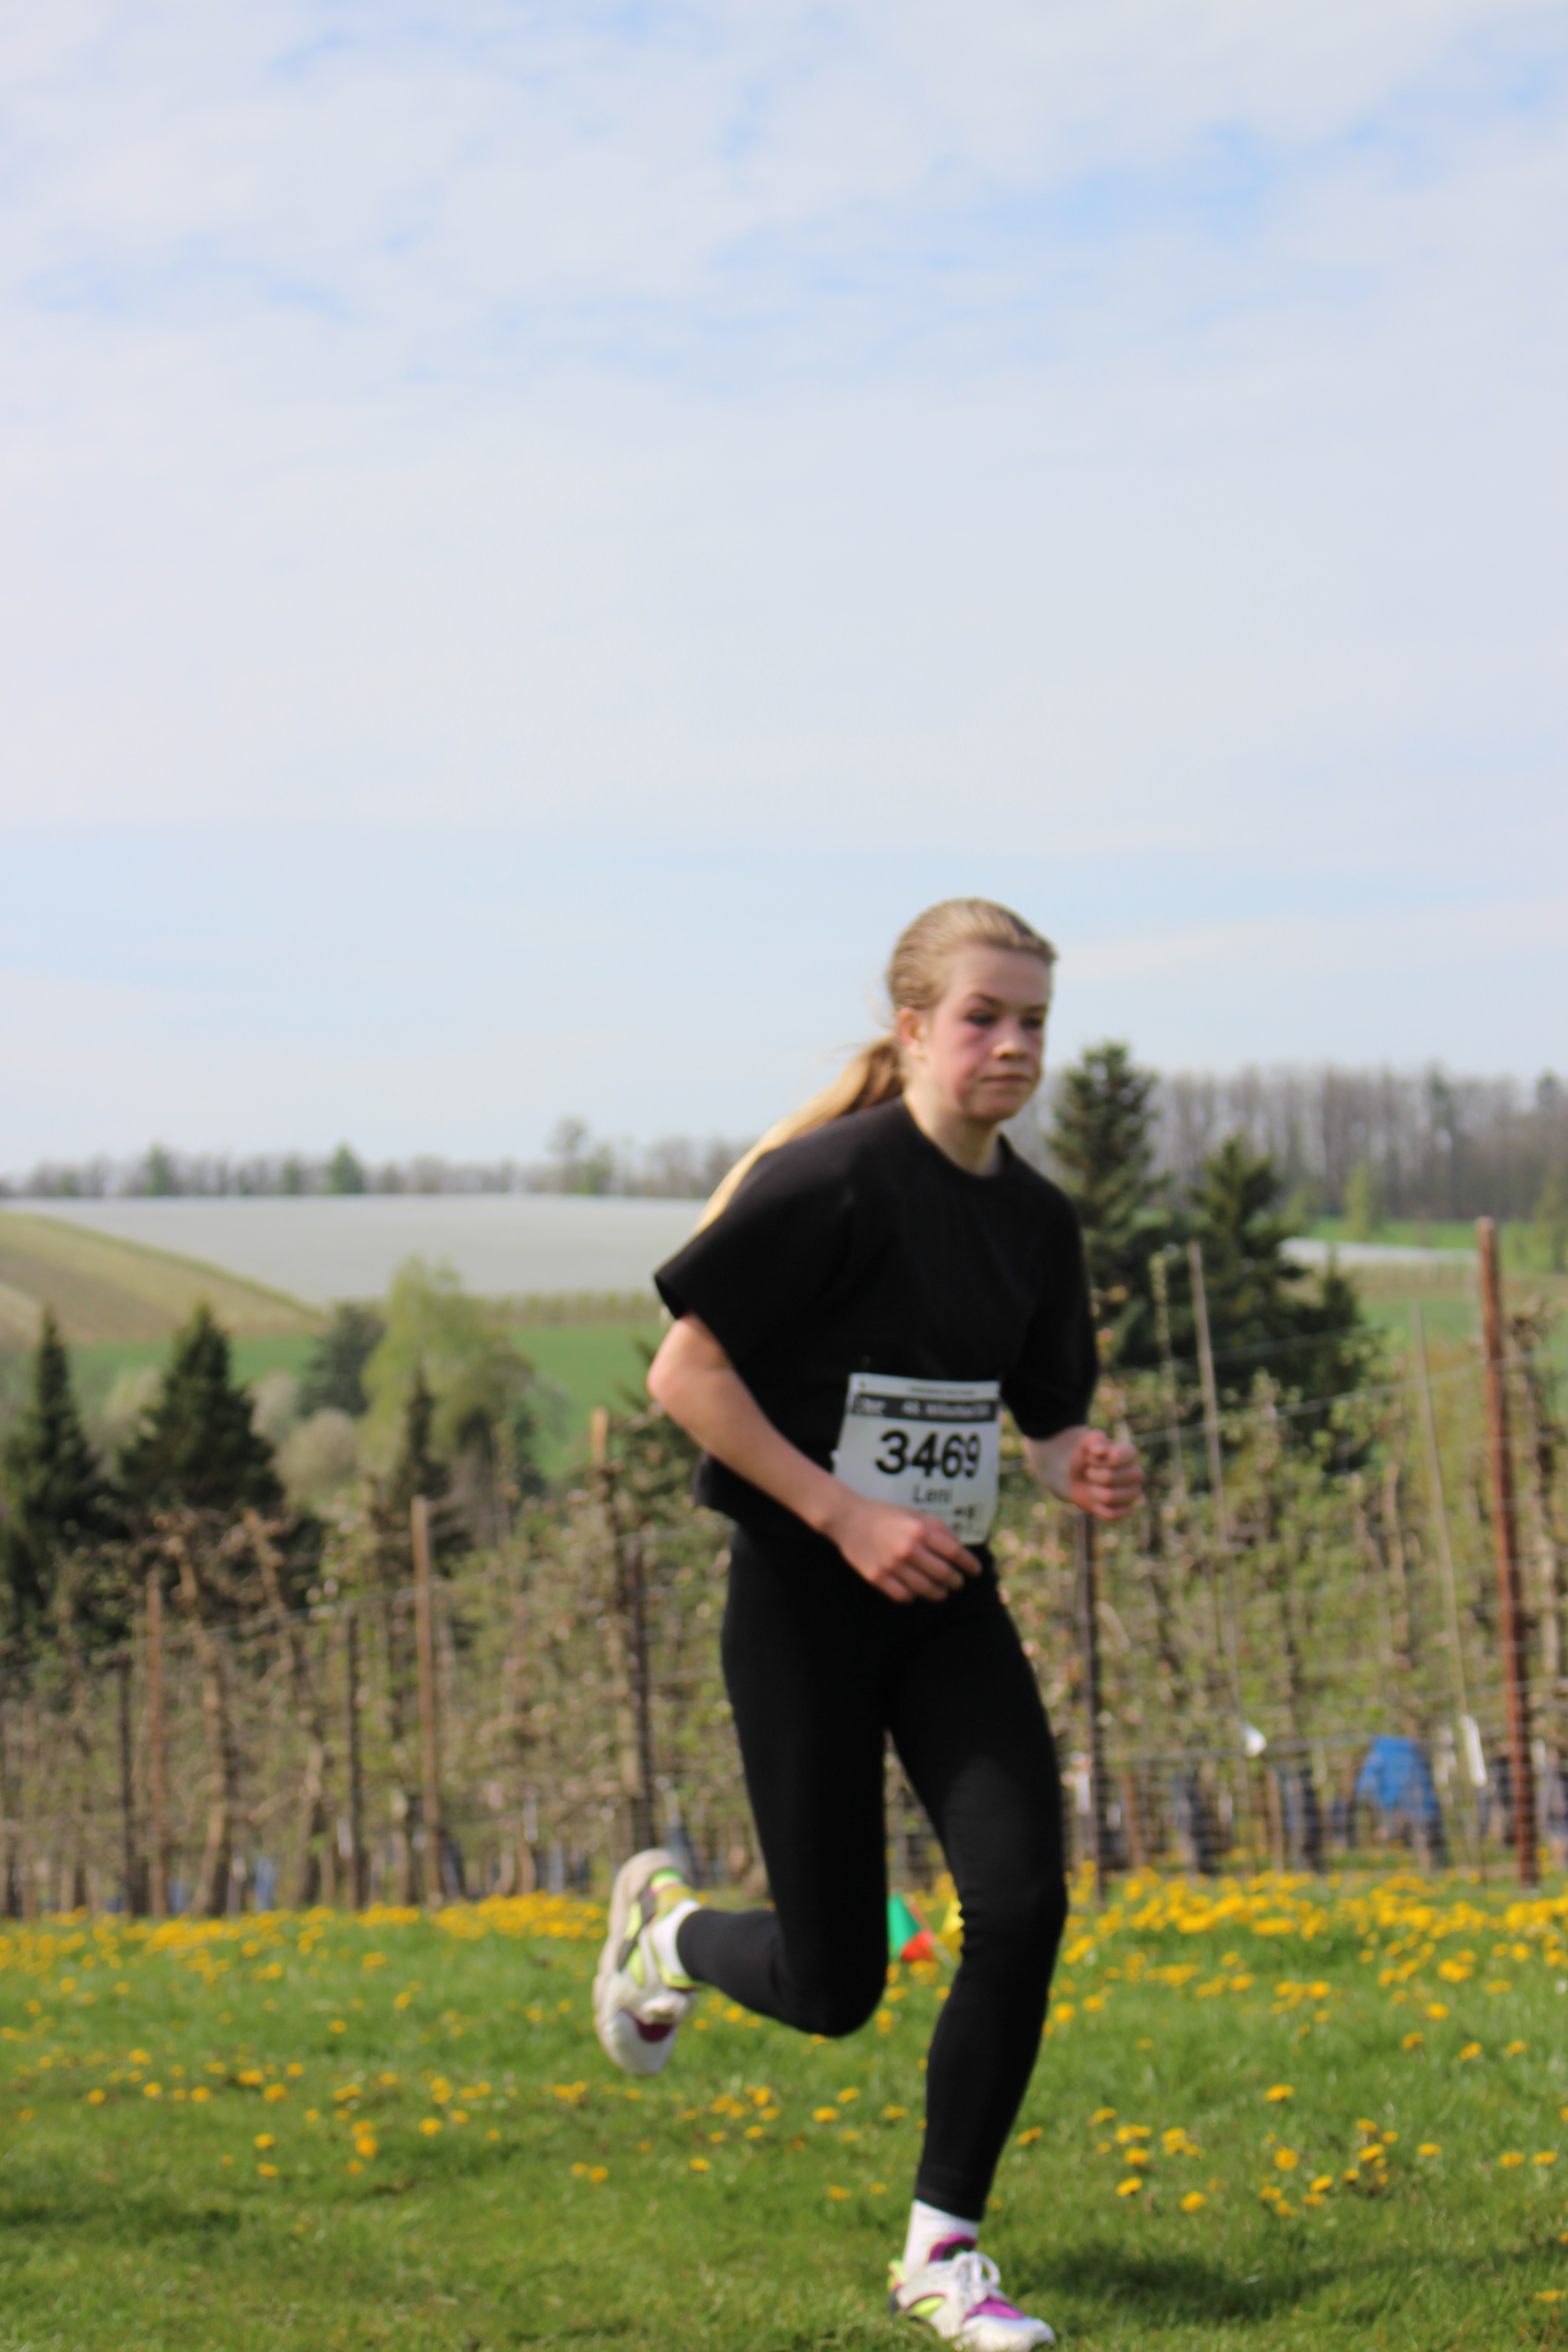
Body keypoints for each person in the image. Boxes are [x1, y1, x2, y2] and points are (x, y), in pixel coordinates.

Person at [593, 898, 1142, 2349]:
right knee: (833, 1988)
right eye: (984, 1017)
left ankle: (943, 2254)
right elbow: (684, 1377)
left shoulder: (1036, 1220)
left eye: (1034, 1021)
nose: (1014, 1045)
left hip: (947, 1601)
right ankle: (666, 1931)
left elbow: (1037, 1414)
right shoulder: (832, 1181)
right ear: (913, 1028)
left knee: (1021, 1906)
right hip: (802, 1607)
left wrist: (1073, 1462)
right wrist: (843, 1516)